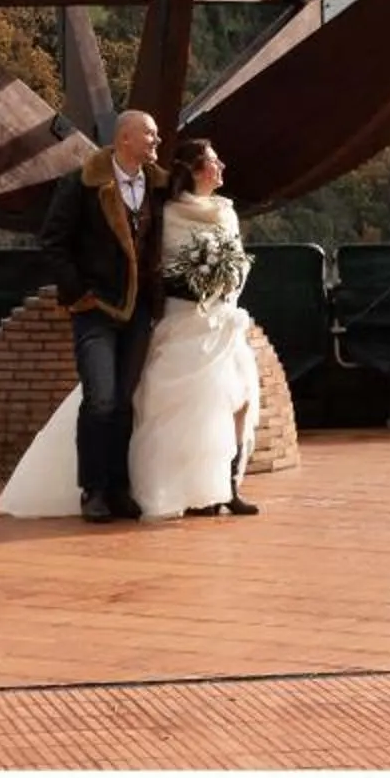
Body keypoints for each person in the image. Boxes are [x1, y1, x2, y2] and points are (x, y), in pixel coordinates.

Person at [3, 109, 168, 523]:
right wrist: (79, 292)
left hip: (138, 309)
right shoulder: (81, 183)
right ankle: (92, 490)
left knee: (126, 401)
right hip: (96, 309)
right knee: (101, 398)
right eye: (149, 134)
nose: (156, 141)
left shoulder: (159, 187)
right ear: (125, 138)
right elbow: (53, 241)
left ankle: (118, 488)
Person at [127, 137, 264, 518]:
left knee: (239, 400)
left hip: (224, 319)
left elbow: (238, 259)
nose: (222, 168)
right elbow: (165, 265)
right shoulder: (169, 213)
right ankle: (191, 490)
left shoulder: (226, 211)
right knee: (187, 406)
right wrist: (196, 282)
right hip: (186, 318)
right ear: (197, 170)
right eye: (215, 162)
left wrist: (227, 282)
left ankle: (228, 487)